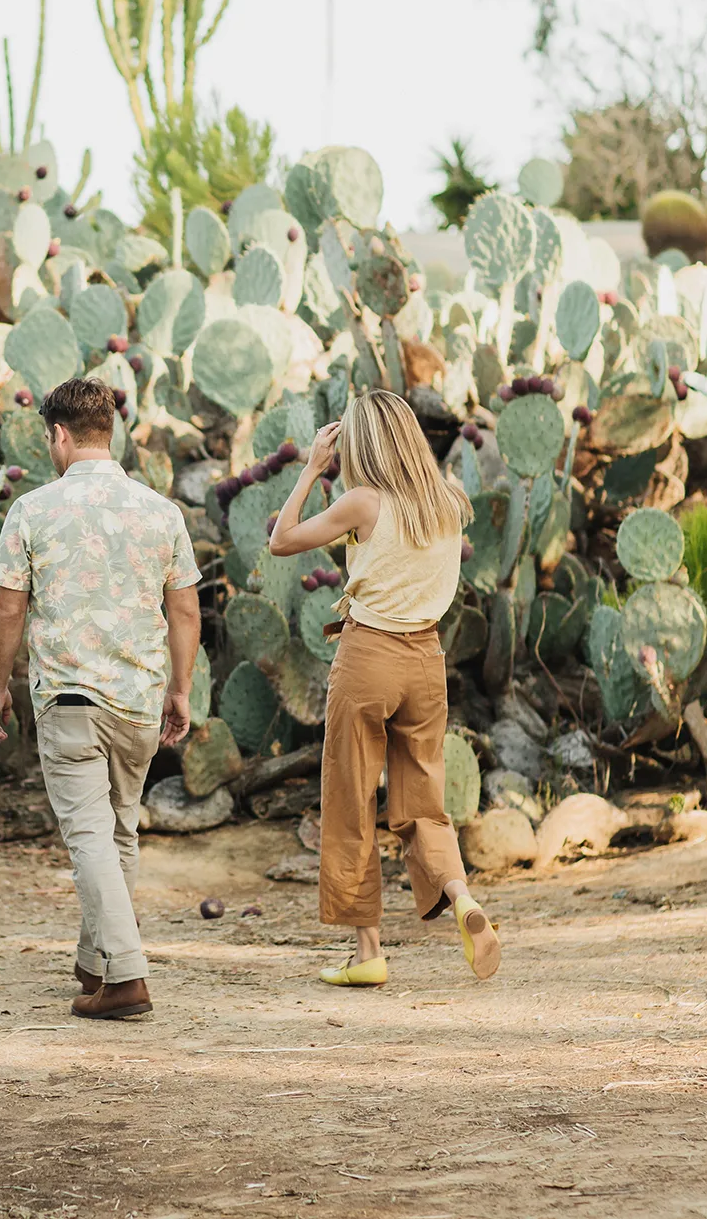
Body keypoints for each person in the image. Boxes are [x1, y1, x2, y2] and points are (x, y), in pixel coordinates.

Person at [0, 376, 203, 1020]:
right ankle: (96, 962)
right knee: (118, 832)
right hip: (138, 699)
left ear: (57, 434)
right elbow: (185, 608)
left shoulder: (33, 509)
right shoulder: (161, 511)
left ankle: (128, 977)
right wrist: (181, 689)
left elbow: (6, 605)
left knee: (89, 837)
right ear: (110, 431)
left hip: (71, 698)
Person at [267, 390, 499, 988]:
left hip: (368, 656)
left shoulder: (362, 503)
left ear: (363, 444)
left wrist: (312, 468)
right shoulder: (448, 500)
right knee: (424, 802)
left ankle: (368, 950)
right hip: (427, 659)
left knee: (351, 799)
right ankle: (462, 896)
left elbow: (281, 540)